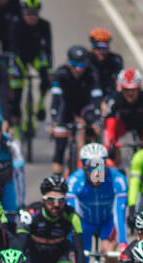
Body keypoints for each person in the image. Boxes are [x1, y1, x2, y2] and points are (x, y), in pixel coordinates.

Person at [66, 143, 128, 263]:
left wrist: (123, 243)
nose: (97, 173)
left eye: (100, 167)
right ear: (84, 168)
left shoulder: (118, 179)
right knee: (81, 262)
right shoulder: (75, 180)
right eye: (92, 168)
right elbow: (71, 214)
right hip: (84, 223)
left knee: (109, 251)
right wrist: (72, 242)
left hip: (107, 222)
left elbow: (119, 213)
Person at [46, 45, 101, 177]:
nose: (78, 68)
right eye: (74, 64)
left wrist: (95, 120)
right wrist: (54, 121)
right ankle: (57, 181)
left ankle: (95, 178)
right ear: (68, 62)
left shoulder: (92, 73)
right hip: (66, 109)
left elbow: (96, 99)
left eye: (82, 64)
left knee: (93, 142)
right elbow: (56, 99)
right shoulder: (60, 73)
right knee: (60, 146)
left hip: (85, 109)